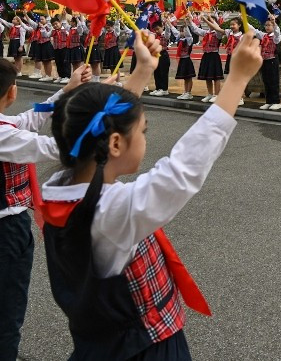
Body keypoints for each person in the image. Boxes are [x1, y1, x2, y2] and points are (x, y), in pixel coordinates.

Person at [40, 31, 262, 360]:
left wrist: (143, 70)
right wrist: (237, 80)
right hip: (145, 348)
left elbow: (103, 121)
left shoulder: (60, 189)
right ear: (114, 144)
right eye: (143, 131)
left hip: (100, 343)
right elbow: (183, 169)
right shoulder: (112, 212)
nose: (144, 137)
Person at [0, 59, 90, 361]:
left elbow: (29, 118)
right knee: (6, 316)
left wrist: (67, 89)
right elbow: (56, 147)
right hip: (5, 234)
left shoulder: (5, 128)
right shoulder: (4, 135)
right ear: (12, 91)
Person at [204, 17, 243, 106]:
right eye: (231, 24)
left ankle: (240, 97)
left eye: (234, 24)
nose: (232, 26)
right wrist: (208, 20)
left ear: (239, 25)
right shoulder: (229, 33)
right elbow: (217, 28)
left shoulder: (242, 36)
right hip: (230, 57)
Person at [193, 14, 225, 103]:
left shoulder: (218, 33)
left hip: (214, 55)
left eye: (212, 22)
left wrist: (209, 19)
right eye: (209, 22)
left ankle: (217, 94)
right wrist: (190, 21)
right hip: (206, 55)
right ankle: (210, 94)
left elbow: (217, 27)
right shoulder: (206, 33)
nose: (210, 24)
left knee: (216, 77)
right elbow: (196, 30)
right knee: (208, 76)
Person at [255, 15, 281, 111]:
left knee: (273, 81)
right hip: (264, 61)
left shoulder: (275, 37)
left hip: (272, 60)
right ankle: (268, 101)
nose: (267, 27)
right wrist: (244, 20)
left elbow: (278, 33)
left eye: (269, 25)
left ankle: (276, 102)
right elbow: (254, 31)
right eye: (266, 25)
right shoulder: (264, 36)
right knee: (266, 81)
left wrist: (274, 22)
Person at [173, 16, 196, 100]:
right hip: (182, 60)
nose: (182, 33)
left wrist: (186, 25)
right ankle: (185, 91)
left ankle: (189, 92)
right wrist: (168, 23)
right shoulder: (180, 40)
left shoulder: (188, 40)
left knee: (188, 77)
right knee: (185, 77)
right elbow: (174, 31)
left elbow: (189, 35)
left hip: (187, 60)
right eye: (181, 31)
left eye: (183, 31)